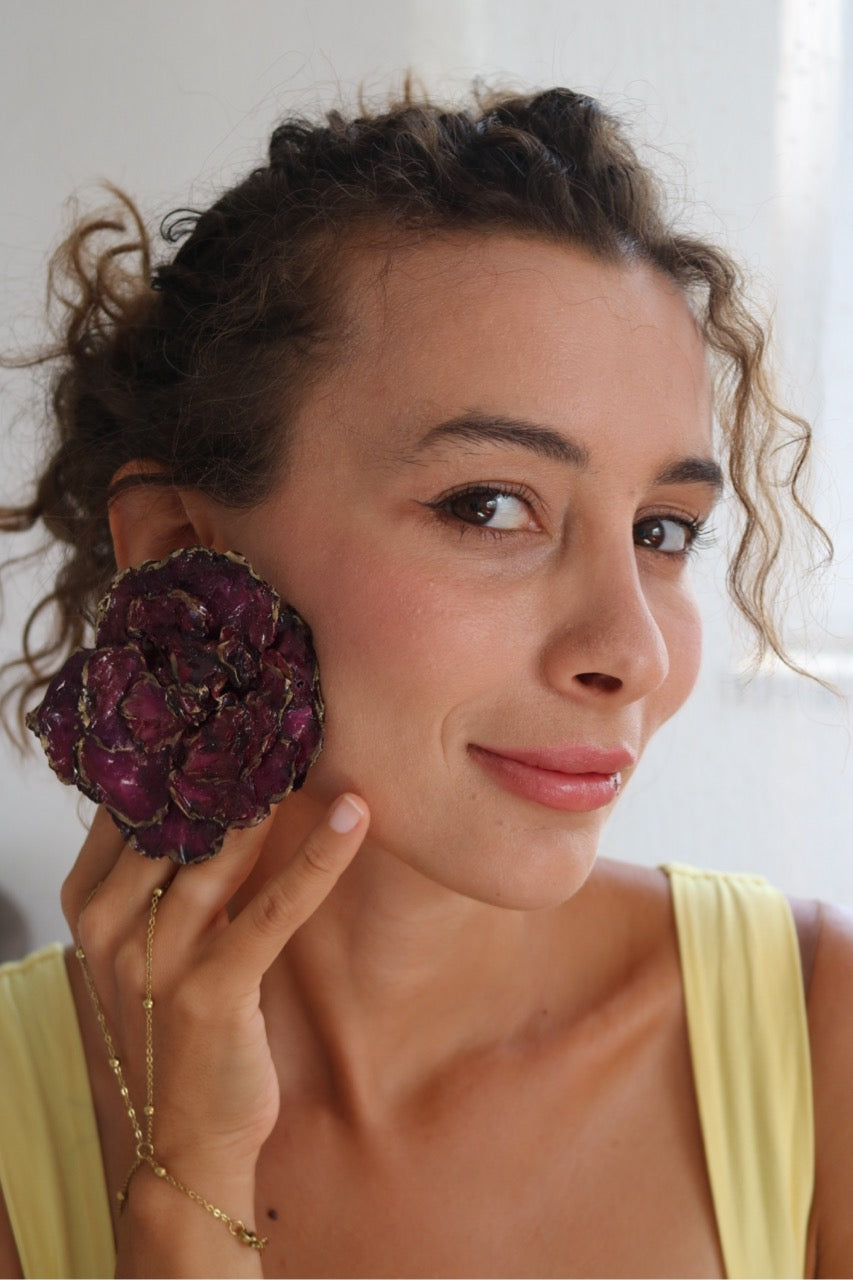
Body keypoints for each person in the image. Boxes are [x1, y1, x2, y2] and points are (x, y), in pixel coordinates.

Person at [0, 84, 850, 1279]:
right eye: (489, 505)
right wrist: (188, 1179)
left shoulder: (818, 1031)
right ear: (182, 545)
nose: (634, 652)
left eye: (662, 530)